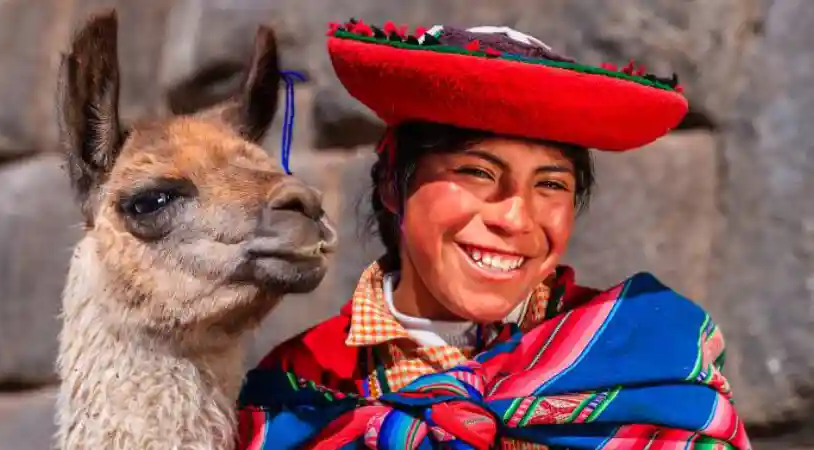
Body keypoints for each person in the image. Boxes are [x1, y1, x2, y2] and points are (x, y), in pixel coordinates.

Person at [236, 19, 751, 449]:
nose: (515, 218)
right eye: (477, 173)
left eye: (550, 185)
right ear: (394, 183)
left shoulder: (651, 358)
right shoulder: (299, 391)